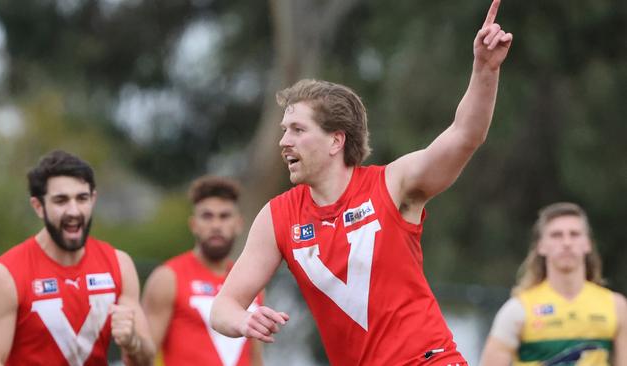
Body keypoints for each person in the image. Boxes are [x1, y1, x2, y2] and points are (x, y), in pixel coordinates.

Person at [210, 0, 513, 364]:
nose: (283, 141)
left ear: (336, 141)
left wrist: (485, 69)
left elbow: (464, 135)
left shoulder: (393, 184)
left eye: (297, 130)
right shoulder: (279, 217)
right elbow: (222, 307)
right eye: (283, 130)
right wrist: (244, 320)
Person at [0, 150, 155, 366]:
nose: (74, 211)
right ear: (38, 207)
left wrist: (132, 342)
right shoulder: (6, 274)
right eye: (61, 200)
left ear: (93, 199)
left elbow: (146, 361)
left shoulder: (119, 264)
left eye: (82, 198)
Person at [480, 202, 627, 365]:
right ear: (541, 246)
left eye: (575, 234)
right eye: (556, 235)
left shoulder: (615, 306)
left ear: (588, 244)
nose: (566, 242)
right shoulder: (518, 309)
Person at [142, 176, 263, 366]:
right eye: (207, 216)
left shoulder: (252, 282)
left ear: (238, 224)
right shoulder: (167, 278)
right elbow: (143, 356)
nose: (216, 225)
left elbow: (255, 357)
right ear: (194, 225)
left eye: (224, 216)